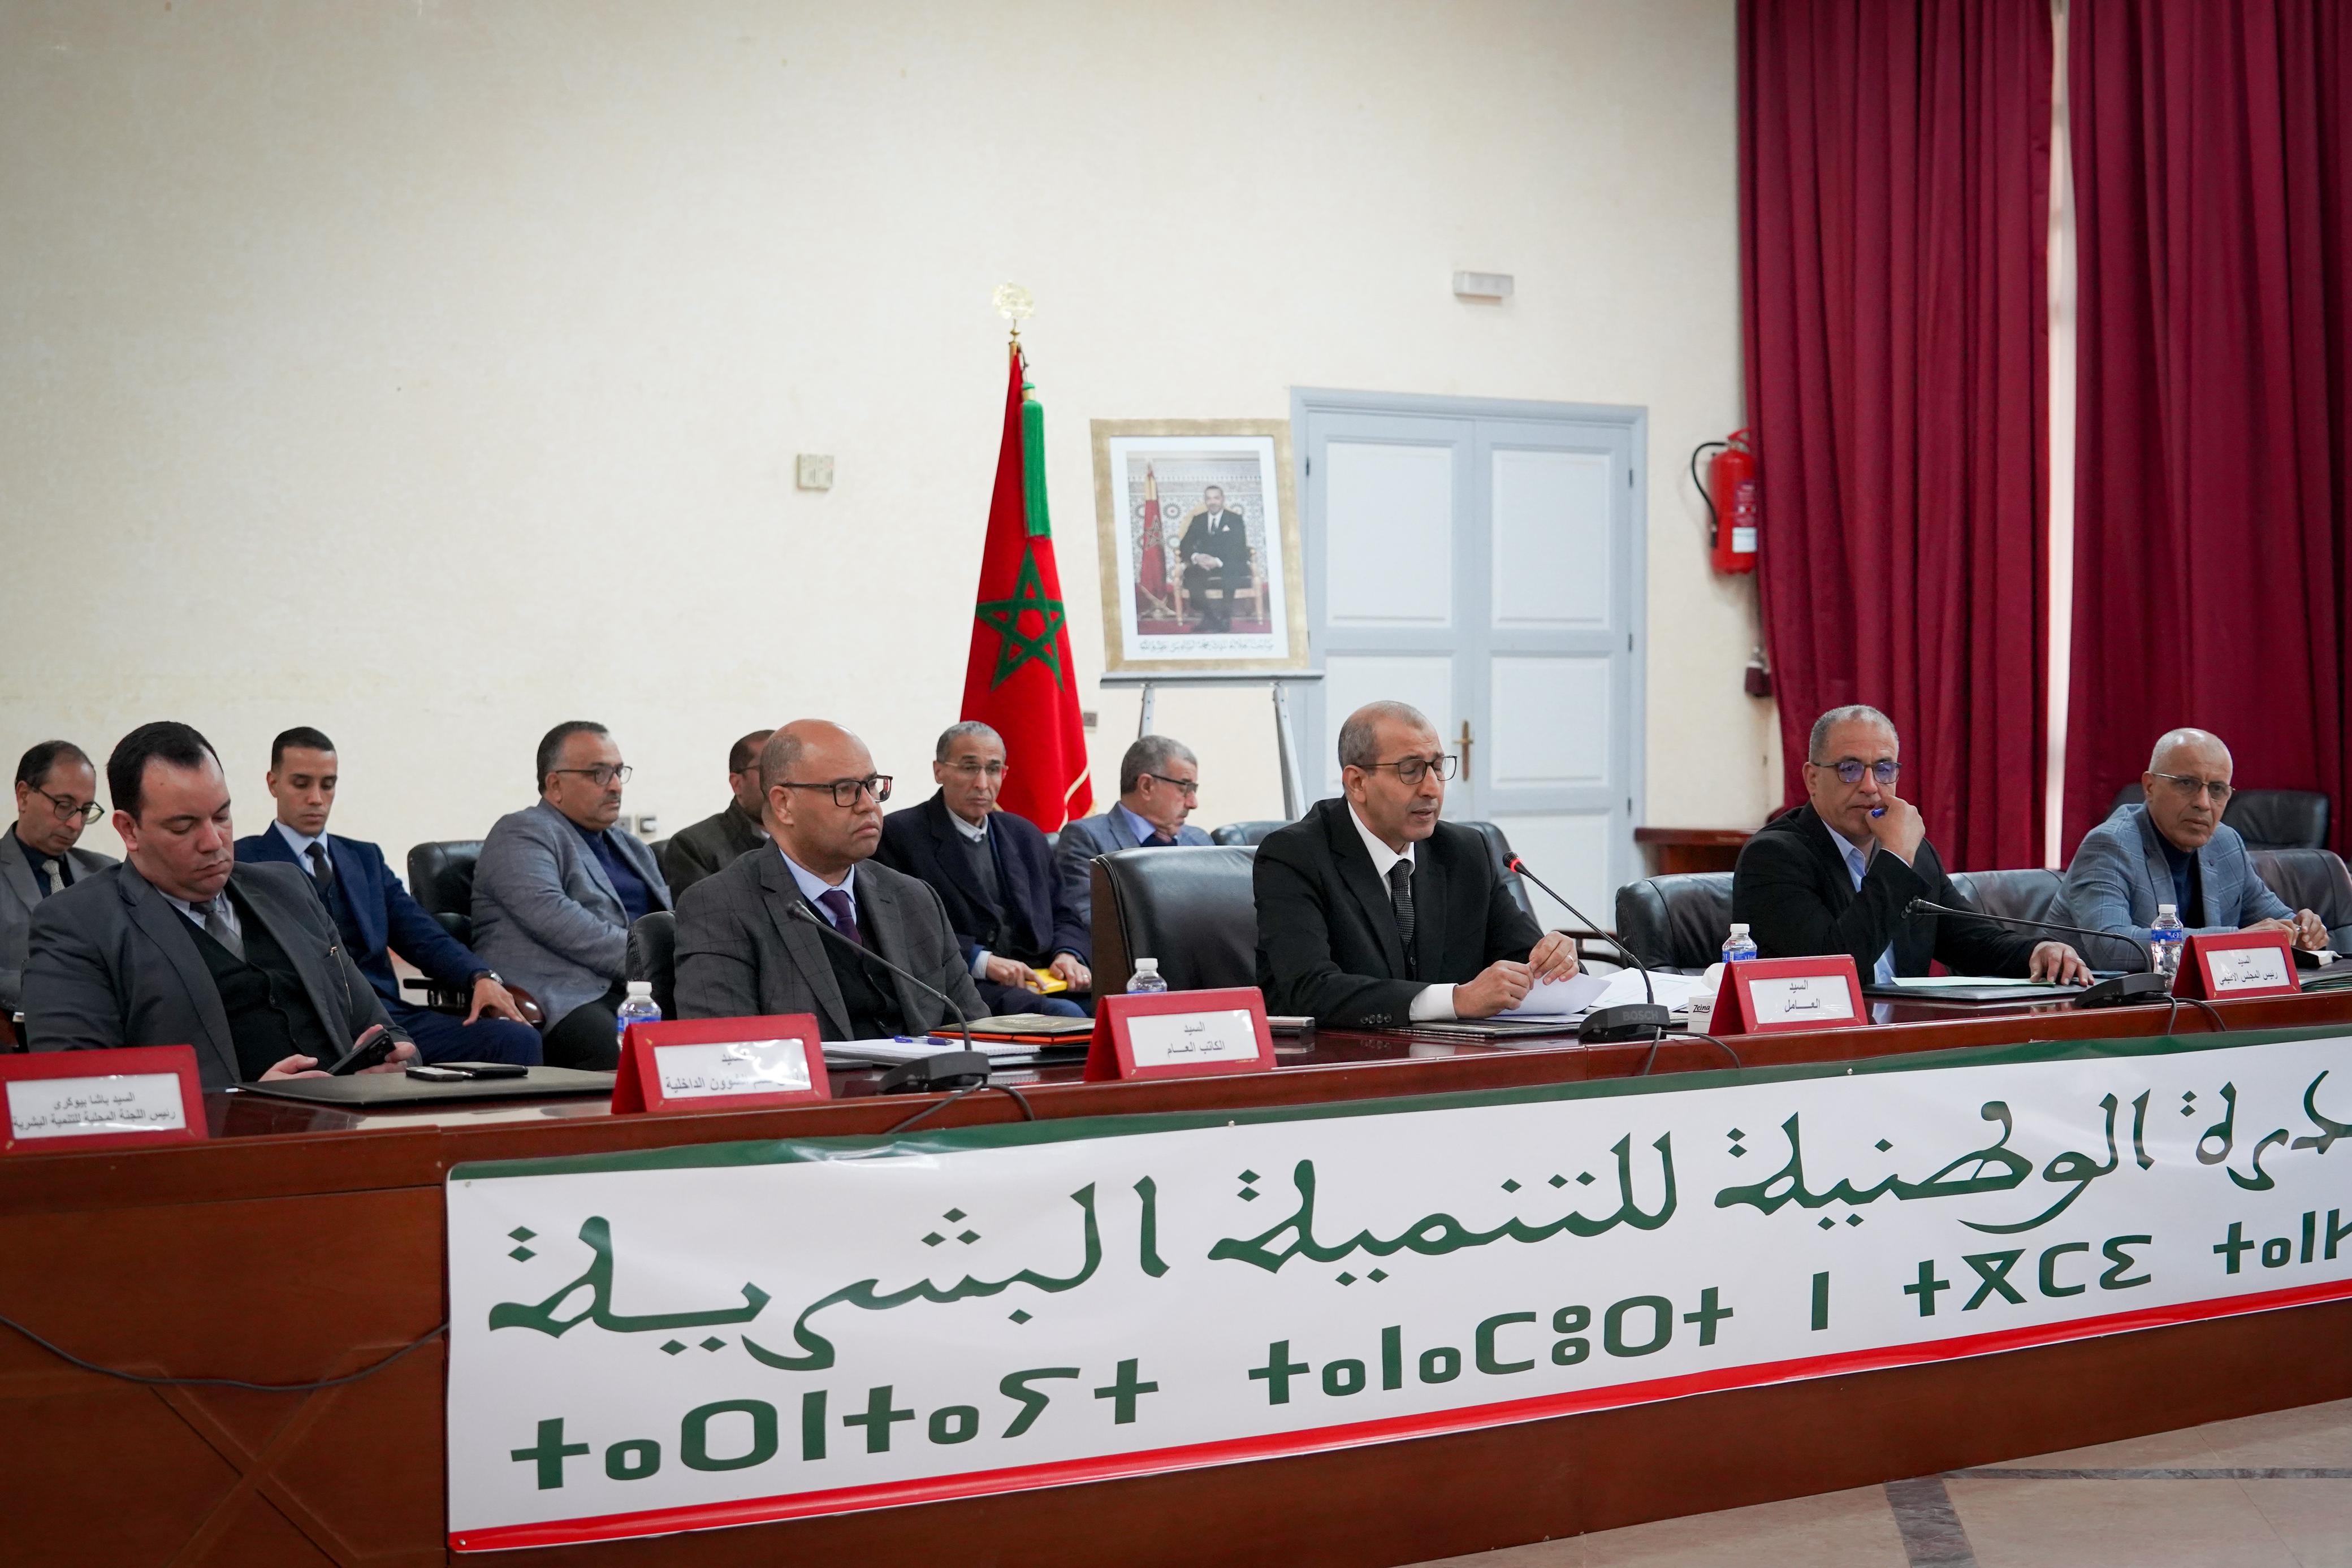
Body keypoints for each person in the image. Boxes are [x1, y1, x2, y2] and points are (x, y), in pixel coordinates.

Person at [22, 722, 417, 1090]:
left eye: (222, 816)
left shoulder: (288, 889)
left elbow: (384, 1030)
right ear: (129, 830)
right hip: (224, 1139)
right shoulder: (79, 924)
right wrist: (242, 1104)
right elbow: (77, 1093)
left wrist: (394, 1061)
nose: (213, 842)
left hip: (351, 1122)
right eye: (183, 826)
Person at [1255, 700, 1579, 1025]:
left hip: (1456, 1052)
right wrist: (1457, 999)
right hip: (1339, 1053)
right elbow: (1310, 989)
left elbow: (1525, 958)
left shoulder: (1464, 852)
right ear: (1357, 783)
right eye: (1410, 771)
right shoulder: (1295, 855)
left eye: (1437, 768)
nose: (1432, 789)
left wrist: (1555, 962)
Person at [234, 726, 540, 1065]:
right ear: (273, 783)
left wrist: (480, 976)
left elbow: (422, 935)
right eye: (301, 784)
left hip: (388, 1018)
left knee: (516, 1039)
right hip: (309, 1027)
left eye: (328, 785)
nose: (317, 798)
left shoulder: (365, 859)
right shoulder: (243, 863)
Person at [1732, 704, 2093, 984]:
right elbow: (1833, 970)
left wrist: (2036, 951)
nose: (1870, 787)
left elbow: (1969, 940)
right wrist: (1896, 858)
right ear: (1812, 778)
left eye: (1884, 769)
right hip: (1825, 1044)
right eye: (1849, 769)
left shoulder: (1913, 853)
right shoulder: (1774, 857)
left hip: (1905, 1034)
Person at [673, 720, 982, 1038]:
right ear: (784, 804)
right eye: (844, 789)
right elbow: (725, 1049)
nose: (868, 805)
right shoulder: (719, 907)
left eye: (871, 785)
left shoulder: (913, 898)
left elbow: (975, 1030)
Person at [472, 721, 670, 1068]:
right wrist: (647, 961)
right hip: (566, 994)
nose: (614, 786)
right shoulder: (522, 832)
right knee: (631, 1062)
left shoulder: (632, 847)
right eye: (598, 774)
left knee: (725, 1033)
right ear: (555, 785)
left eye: (618, 772)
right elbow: (555, 918)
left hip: (642, 990)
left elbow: (663, 920)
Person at [875, 721, 1090, 1017]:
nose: (982, 783)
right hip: (963, 983)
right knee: (1066, 1014)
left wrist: (1068, 953)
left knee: (1116, 1005)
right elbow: (899, 930)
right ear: (939, 771)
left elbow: (1064, 913)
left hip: (1040, 977)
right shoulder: (900, 835)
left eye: (993, 769)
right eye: (969, 768)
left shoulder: (1024, 834)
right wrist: (981, 961)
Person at [2057, 727, 2327, 952]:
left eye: (2217, 789)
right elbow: (2113, 944)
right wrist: (2234, 941)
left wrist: (2300, 929)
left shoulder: (2226, 843)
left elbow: (2273, 918)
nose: (2203, 803)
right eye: (2186, 784)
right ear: (2150, 787)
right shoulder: (2109, 845)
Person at [1052, 735, 1212, 935]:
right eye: (1184, 788)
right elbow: (1091, 920)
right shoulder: (1087, 839)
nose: (1193, 803)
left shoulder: (1199, 841)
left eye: (1194, 790)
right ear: (1146, 786)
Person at [2, 740, 116, 1020]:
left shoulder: (109, 873)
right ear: (24, 796)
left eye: (85, 810)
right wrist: (63, 990)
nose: (75, 824)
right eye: (64, 806)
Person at [662, 729, 774, 902]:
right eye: (770, 770)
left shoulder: (808, 837)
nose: (785, 781)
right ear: (737, 783)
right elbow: (703, 915)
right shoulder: (693, 847)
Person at [1178, 485, 1253, 633]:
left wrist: (1217, 561)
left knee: (1231, 571)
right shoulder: (1198, 520)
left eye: (1216, 498)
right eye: (1209, 498)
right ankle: (1209, 617)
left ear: (1223, 499)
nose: (1212, 502)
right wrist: (1197, 557)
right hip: (1204, 564)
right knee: (1190, 573)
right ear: (1205, 501)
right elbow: (1185, 544)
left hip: (1228, 562)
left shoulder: (1235, 519)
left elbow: (1239, 547)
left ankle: (1225, 618)